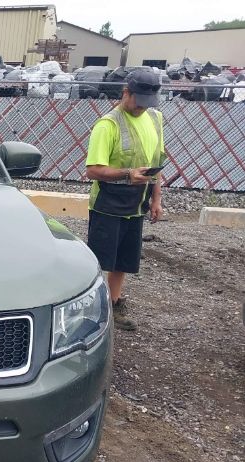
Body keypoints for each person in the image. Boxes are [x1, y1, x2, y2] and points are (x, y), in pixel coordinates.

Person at [85, 69, 165, 331]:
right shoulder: (107, 125)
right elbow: (93, 170)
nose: (142, 108)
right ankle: (91, 310)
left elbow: (157, 163)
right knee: (100, 260)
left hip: (136, 205)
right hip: (108, 205)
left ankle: (114, 304)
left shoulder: (155, 119)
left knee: (123, 261)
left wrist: (156, 199)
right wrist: (128, 174)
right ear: (126, 93)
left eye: (147, 102)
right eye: (138, 101)